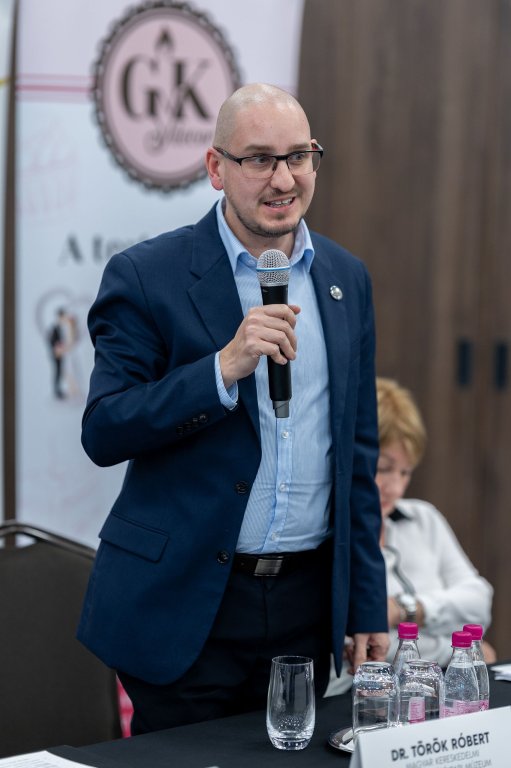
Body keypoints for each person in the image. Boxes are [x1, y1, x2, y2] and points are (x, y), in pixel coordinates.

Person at [77, 83, 389, 734]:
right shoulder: (147, 276)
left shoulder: (345, 278)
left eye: (298, 156)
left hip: (304, 608)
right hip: (187, 603)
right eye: (259, 159)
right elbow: (105, 428)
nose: (284, 179)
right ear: (216, 168)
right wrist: (220, 369)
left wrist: (366, 601)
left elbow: (357, 458)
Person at [325, 376, 495, 696]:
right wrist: (455, 650)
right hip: (360, 699)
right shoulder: (327, 534)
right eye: (383, 468)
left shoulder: (423, 518)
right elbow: (359, 652)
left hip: (437, 693)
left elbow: (478, 602)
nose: (395, 487)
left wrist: (404, 610)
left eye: (405, 472)